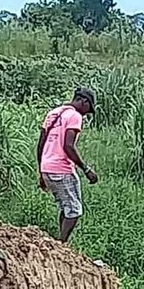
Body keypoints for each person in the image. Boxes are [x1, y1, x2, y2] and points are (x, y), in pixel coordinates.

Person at [37, 87, 98, 244]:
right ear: (83, 101)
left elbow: (41, 144)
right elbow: (68, 146)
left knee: (66, 208)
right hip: (61, 168)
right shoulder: (75, 116)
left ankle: (61, 244)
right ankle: (61, 246)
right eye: (88, 109)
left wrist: (41, 171)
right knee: (74, 211)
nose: (86, 113)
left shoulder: (53, 113)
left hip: (47, 167)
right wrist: (86, 169)